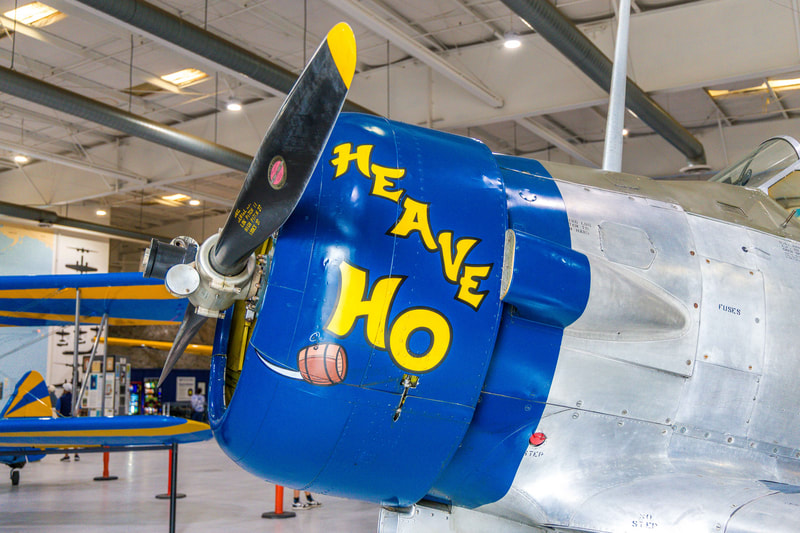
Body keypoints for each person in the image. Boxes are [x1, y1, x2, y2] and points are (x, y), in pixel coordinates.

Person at [58, 383, 79, 462]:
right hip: (74, 421)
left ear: (65, 390)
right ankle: (76, 454)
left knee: (65, 438)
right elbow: (79, 409)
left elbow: (58, 410)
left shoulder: (61, 399)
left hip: (64, 421)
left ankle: (66, 455)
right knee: (75, 437)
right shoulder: (76, 398)